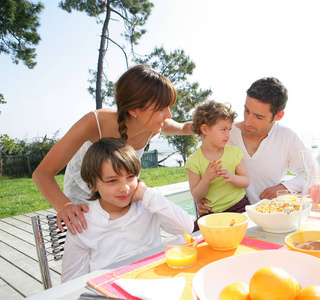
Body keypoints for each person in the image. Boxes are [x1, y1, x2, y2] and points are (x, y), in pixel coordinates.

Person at [32, 65, 192, 235]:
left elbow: (184, 128)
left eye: (168, 107)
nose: (169, 115)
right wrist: (65, 207)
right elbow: (42, 173)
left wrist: (210, 126)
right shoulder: (94, 122)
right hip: (84, 195)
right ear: (134, 109)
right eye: (161, 108)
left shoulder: (153, 125)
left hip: (121, 191)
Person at [61, 138, 193, 282]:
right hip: (110, 291)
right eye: (112, 181)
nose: (125, 188)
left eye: (130, 177)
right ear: (93, 185)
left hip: (156, 282)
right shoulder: (83, 222)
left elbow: (186, 228)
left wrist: (146, 194)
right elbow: (71, 280)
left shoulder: (148, 205)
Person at [196, 77, 307, 215]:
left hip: (269, 218)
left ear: (278, 116)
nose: (248, 121)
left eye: (258, 117)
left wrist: (284, 187)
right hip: (226, 220)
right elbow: (199, 173)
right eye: (246, 110)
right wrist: (200, 202)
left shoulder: (288, 137)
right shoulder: (223, 136)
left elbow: (312, 174)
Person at [185, 101, 250, 228]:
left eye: (229, 129)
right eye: (223, 129)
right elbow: (196, 195)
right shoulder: (193, 161)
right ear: (205, 129)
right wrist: (207, 179)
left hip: (238, 207)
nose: (228, 134)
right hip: (211, 214)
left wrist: (233, 177)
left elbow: (246, 181)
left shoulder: (234, 152)